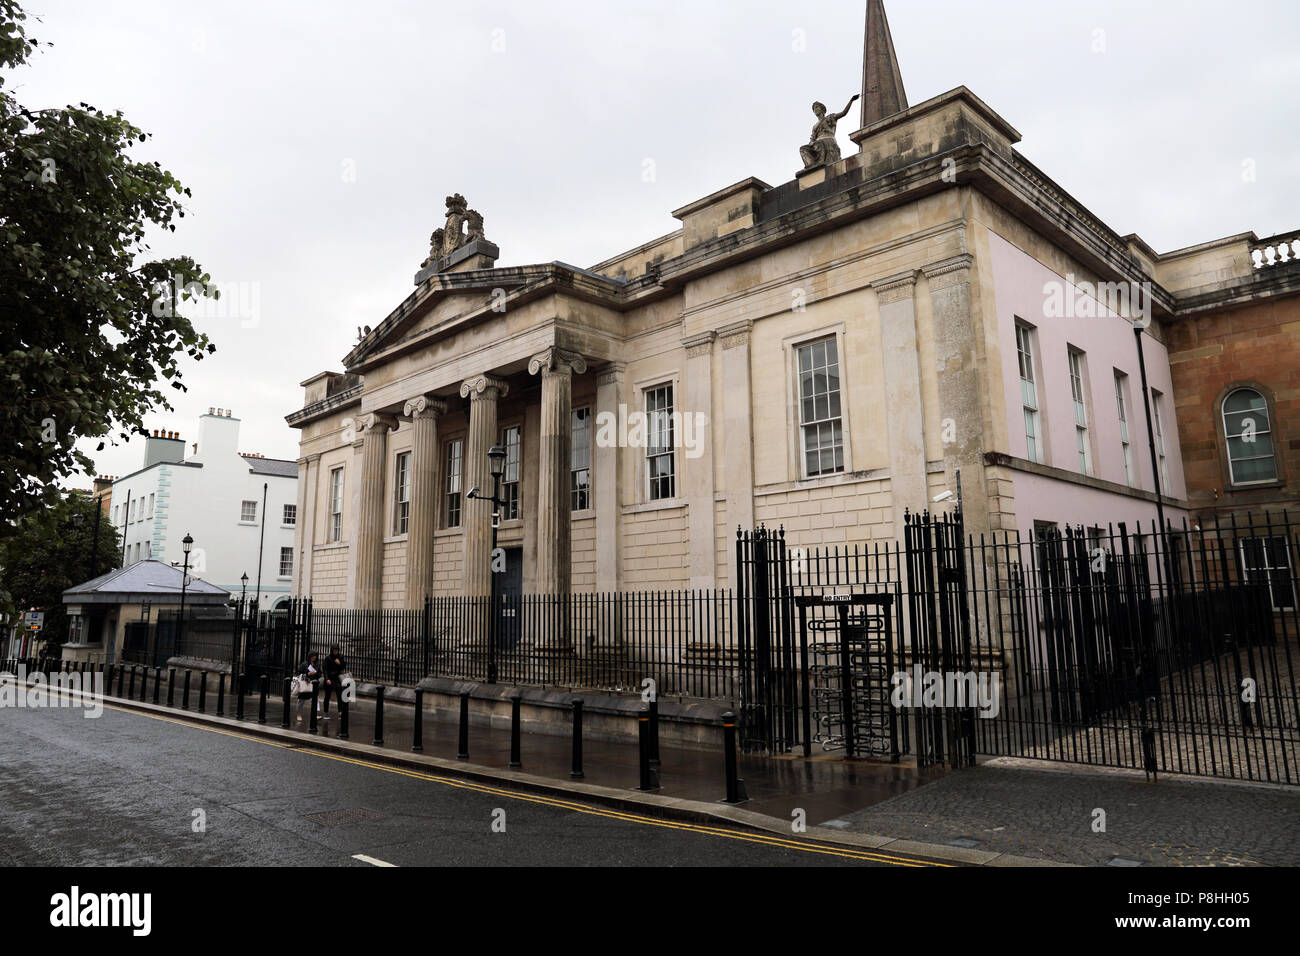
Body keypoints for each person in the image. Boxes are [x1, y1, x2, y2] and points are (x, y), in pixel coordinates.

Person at [321, 646, 347, 720]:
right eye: (334, 650)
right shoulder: (328, 658)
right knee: (327, 696)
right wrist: (327, 679)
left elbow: (343, 667)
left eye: (337, 650)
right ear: (331, 650)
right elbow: (325, 669)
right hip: (329, 679)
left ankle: (340, 712)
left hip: (337, 678)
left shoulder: (340, 657)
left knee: (339, 696)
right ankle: (326, 712)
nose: (335, 652)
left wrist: (339, 663)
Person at [295, 652, 320, 724]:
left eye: (315, 656)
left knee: (316, 699)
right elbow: (298, 674)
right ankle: (299, 715)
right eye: (312, 656)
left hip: (314, 684)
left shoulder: (317, 664)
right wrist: (307, 674)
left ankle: (316, 714)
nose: (314, 657)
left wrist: (316, 674)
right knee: (301, 700)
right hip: (305, 684)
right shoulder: (304, 664)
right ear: (309, 656)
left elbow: (320, 673)